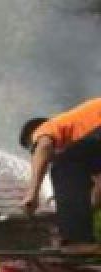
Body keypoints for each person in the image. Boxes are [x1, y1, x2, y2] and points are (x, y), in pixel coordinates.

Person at [20, 98, 101, 249]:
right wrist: (75, 216)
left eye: (33, 149)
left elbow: (44, 146)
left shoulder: (46, 127)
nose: (37, 154)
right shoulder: (89, 150)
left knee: (63, 165)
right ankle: (78, 239)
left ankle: (78, 241)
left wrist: (32, 193)